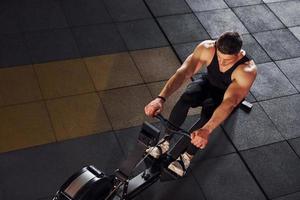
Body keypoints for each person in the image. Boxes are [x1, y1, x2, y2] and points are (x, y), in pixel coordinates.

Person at [144, 31, 257, 176]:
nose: (221, 63)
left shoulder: (246, 70)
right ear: (216, 46)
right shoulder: (207, 48)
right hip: (208, 82)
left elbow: (229, 102)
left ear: (238, 54)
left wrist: (207, 130)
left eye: (227, 61)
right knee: (186, 97)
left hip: (226, 95)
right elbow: (183, 72)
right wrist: (160, 98)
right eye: (219, 58)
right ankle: (165, 141)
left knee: (206, 119)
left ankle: (187, 156)